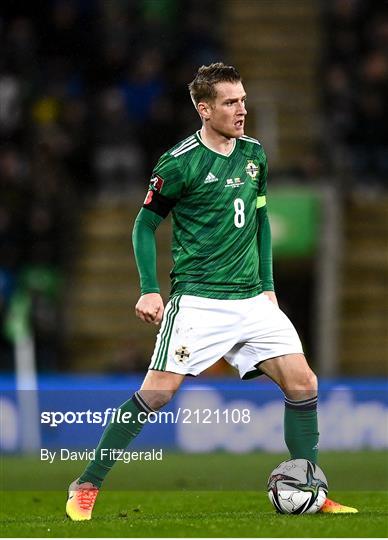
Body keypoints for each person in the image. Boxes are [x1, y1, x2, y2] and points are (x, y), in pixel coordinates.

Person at [66, 62, 357, 520]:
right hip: (199, 299)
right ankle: (86, 483)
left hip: (252, 299)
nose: (242, 109)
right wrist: (149, 288)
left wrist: (268, 287)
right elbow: (144, 225)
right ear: (204, 109)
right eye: (230, 102)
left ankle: (308, 489)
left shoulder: (255, 154)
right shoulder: (179, 162)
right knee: (158, 394)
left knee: (303, 383)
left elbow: (260, 221)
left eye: (243, 99)